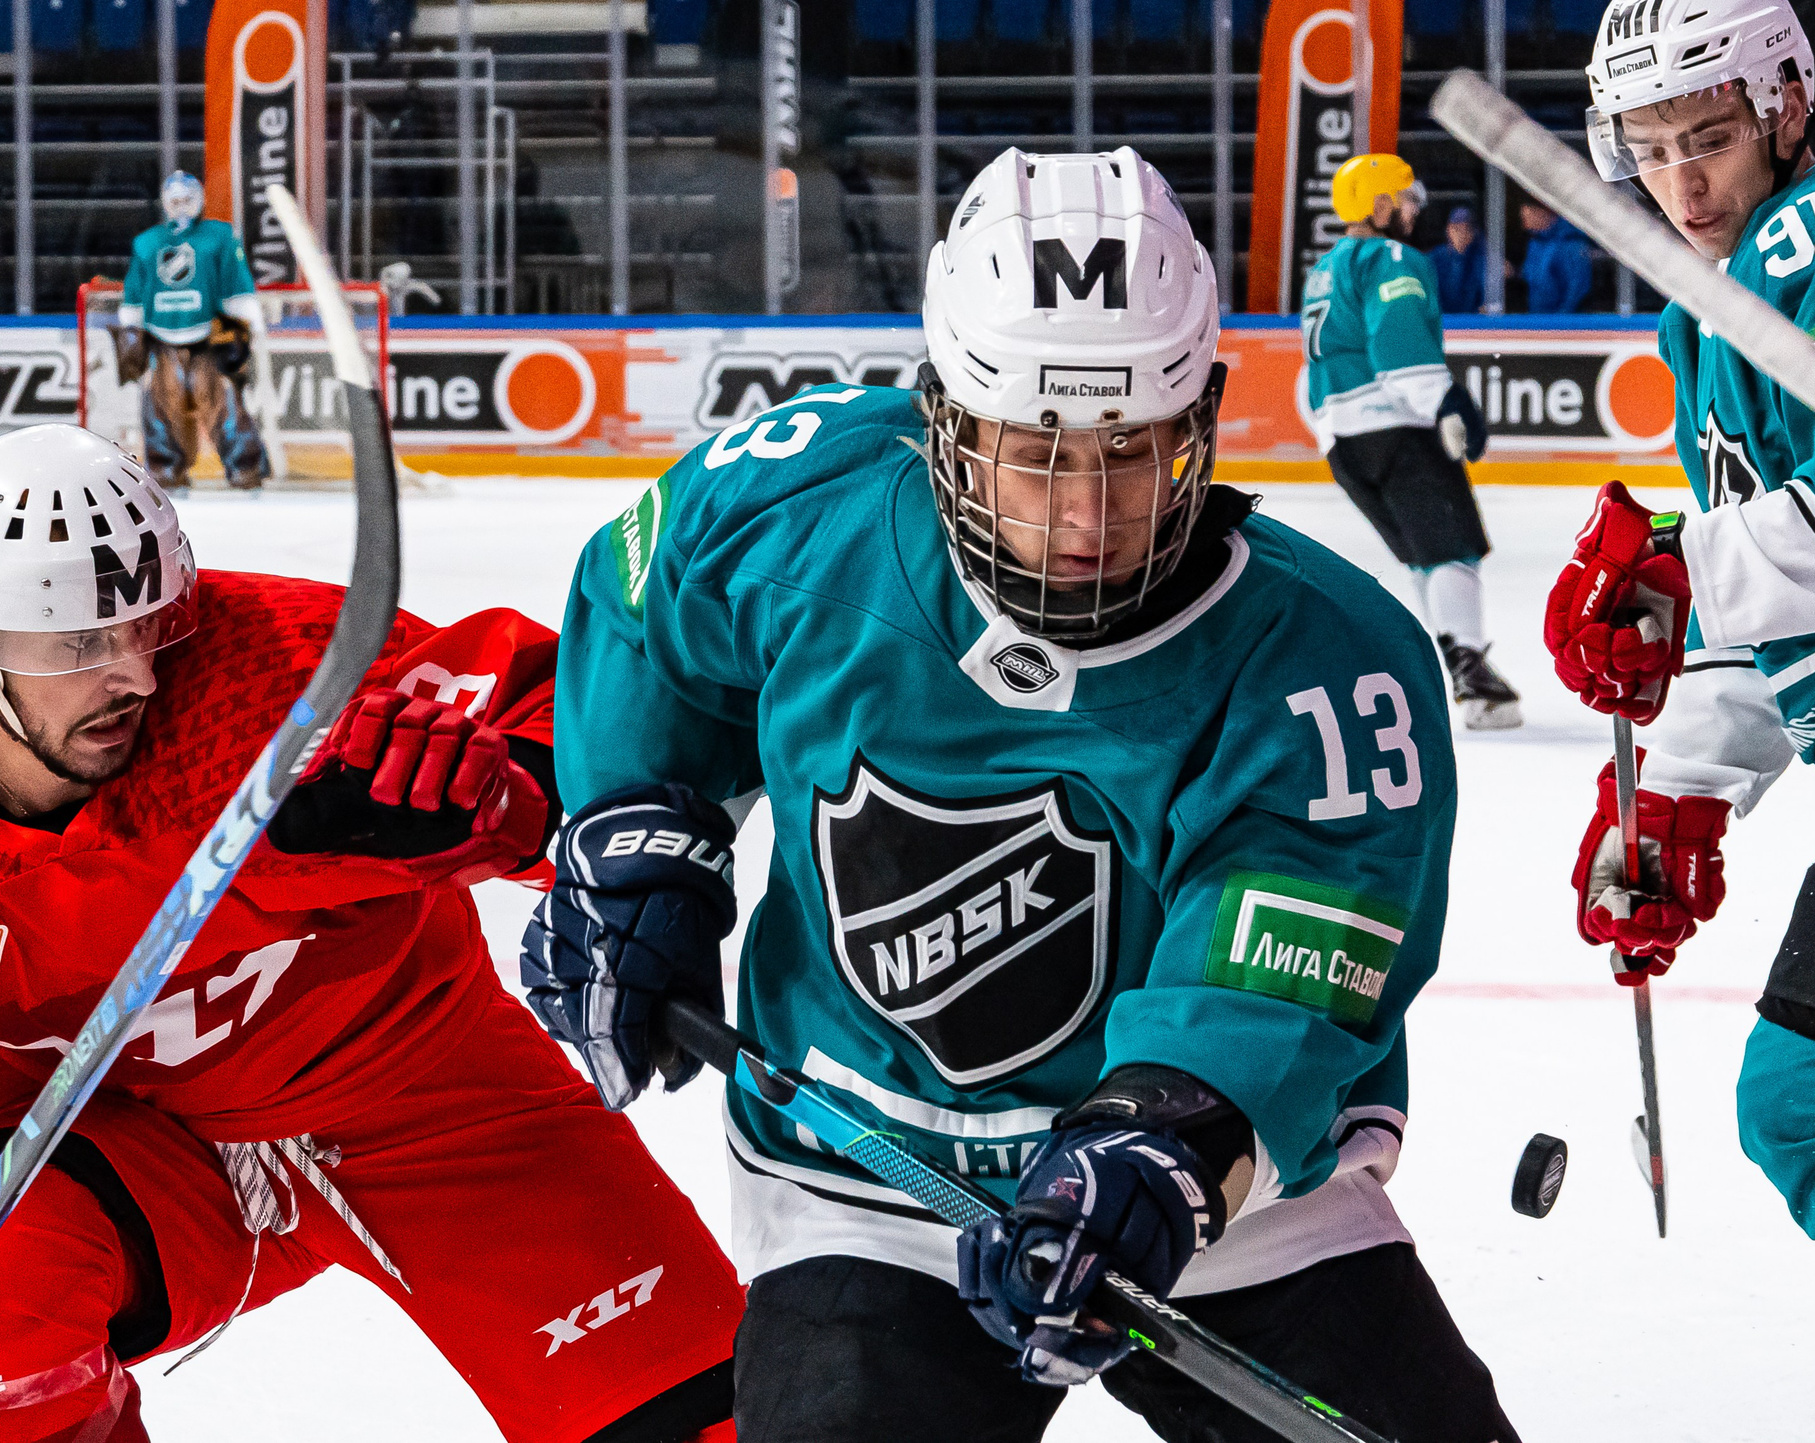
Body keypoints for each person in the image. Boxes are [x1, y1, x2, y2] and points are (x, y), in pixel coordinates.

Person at [523, 148, 1517, 1443]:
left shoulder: (1324, 660)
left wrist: (1162, 1145)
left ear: (1201, 416)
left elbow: (1275, 963)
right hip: (870, 1176)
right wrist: (637, 835)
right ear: (940, 414)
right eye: (1033, 454)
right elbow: (646, 619)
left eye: (1132, 450)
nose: (1085, 515)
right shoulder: (793, 502)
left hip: (1224, 1199)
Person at [0, 424, 745, 1443]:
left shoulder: (277, 670)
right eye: (80, 641)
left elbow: (579, 724)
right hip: (148, 1157)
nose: (135, 673)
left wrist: (512, 795)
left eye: (150, 623)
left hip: (436, 1102)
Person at [1552, 0, 1815, 1413]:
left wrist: (1673, 569)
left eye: (1707, 136)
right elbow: (1793, 591)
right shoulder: (1707, 313)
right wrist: (1678, 796)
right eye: (1649, 149)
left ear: (1787, 104)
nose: (1681, 183)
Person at [1303, 153, 1522, 731]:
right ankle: (1471, 672)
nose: (1412, 212)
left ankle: (1455, 659)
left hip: (1343, 444)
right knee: (1452, 548)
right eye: (1403, 201)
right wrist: (1445, 401)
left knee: (1426, 557)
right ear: (1379, 204)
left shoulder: (1323, 269)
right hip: (1395, 429)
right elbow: (1396, 343)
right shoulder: (1392, 258)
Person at [115, 172, 268, 492]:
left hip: (209, 338)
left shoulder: (219, 236)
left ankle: (244, 467)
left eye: (188, 199)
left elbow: (235, 283)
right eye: (175, 200)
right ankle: (165, 470)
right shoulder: (147, 243)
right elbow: (135, 294)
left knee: (223, 401)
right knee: (160, 406)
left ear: (198, 200)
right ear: (165, 202)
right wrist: (132, 330)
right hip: (161, 338)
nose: (182, 206)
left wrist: (246, 321)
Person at [1516, 200, 1596, 313]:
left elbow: (1578, 287)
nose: (1525, 226)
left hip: (1561, 320)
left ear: (1542, 213)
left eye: (1528, 218)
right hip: (1537, 317)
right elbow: (1532, 276)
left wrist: (1562, 318)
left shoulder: (1571, 243)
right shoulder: (1535, 243)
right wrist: (1514, 272)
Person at [1429, 205, 1486, 316]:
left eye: (1466, 229)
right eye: (1456, 229)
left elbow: (1486, 299)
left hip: (1471, 321)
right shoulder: (1435, 257)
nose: (1461, 234)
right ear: (1448, 230)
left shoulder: (1480, 260)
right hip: (1443, 320)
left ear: (1473, 233)